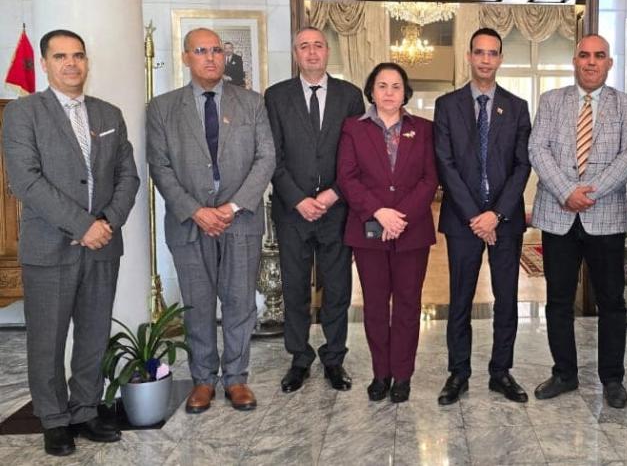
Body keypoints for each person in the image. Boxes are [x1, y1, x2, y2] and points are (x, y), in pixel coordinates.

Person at [2, 29, 139, 456]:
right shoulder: (23, 113)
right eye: (60, 56)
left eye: (78, 55)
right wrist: (82, 225)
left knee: (94, 334)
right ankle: (54, 419)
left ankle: (84, 410)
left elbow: (128, 176)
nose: (71, 63)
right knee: (47, 340)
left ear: (86, 61)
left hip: (104, 244)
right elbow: (26, 181)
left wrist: (107, 222)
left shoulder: (108, 113)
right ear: (44, 64)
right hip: (50, 247)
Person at [147, 28, 275, 414]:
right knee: (197, 304)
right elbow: (160, 166)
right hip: (190, 223)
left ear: (225, 56)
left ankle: (236, 378)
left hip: (241, 221)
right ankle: (203, 379)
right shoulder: (162, 108)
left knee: (239, 303)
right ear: (186, 57)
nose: (210, 57)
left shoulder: (252, 102)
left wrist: (232, 207)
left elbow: (266, 158)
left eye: (216, 50)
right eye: (201, 50)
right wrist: (196, 210)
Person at [528, 34, 627, 409]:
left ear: (609, 63)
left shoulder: (625, 104)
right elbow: (537, 149)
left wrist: (589, 193)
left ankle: (612, 379)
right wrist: (566, 192)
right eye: (584, 55)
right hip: (557, 214)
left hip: (605, 217)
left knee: (611, 302)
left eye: (599, 56)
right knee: (558, 300)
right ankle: (564, 373)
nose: (591, 62)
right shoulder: (551, 101)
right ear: (574, 61)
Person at [434, 28, 532, 405]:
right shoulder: (447, 105)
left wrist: (496, 214)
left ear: (500, 58)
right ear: (469, 56)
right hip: (463, 220)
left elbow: (522, 165)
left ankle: (501, 372)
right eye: (479, 52)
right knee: (460, 298)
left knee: (506, 298)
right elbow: (445, 164)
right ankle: (458, 373)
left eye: (493, 53)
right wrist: (477, 216)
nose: (486, 59)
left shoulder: (517, 106)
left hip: (505, 221)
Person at [265, 27, 365, 394]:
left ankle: (334, 358)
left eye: (318, 46)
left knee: (337, 287)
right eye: (304, 47)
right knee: (294, 287)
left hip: (336, 209)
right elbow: (271, 154)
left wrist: (334, 194)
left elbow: (357, 153)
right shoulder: (276, 96)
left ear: (327, 52)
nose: (311, 53)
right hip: (292, 211)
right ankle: (299, 358)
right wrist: (298, 199)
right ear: (295, 54)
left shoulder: (350, 96)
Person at [337, 62, 438, 404]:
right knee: (376, 306)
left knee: (408, 305)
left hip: (412, 231)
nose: (389, 92)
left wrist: (400, 217)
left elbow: (430, 179)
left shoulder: (423, 129)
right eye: (382, 85)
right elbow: (347, 177)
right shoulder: (353, 128)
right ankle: (381, 374)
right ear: (371, 90)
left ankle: (403, 375)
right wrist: (379, 213)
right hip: (368, 230)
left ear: (405, 92)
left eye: (396, 86)